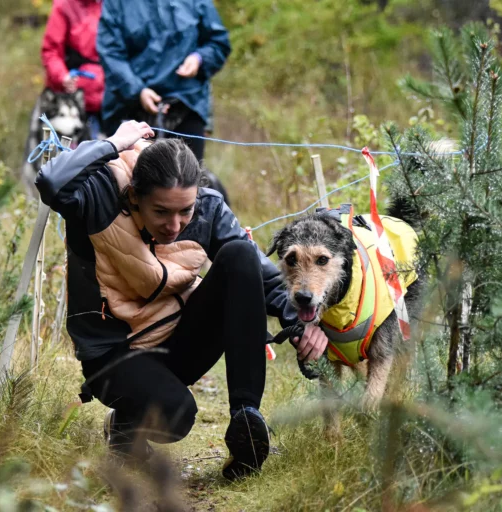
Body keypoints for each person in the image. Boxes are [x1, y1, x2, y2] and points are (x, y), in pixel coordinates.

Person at [35, 121, 329, 480]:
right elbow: (51, 182)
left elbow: (260, 276)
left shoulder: (208, 208)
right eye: (161, 211)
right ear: (135, 196)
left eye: (185, 211)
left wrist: (300, 324)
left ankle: (246, 419)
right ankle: (126, 424)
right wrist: (114, 142)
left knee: (239, 255)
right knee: (176, 416)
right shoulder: (97, 198)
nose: (174, 225)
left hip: (176, 341)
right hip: (112, 354)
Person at [96, 0, 231, 161]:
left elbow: (218, 42)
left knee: (187, 173)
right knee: (132, 174)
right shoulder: (116, 4)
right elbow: (110, 54)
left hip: (187, 103)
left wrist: (199, 58)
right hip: (131, 110)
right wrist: (137, 91)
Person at [41, 0, 105, 138]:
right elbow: (51, 51)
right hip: (73, 104)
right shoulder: (64, 6)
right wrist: (62, 76)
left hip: (112, 102)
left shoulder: (115, 5)